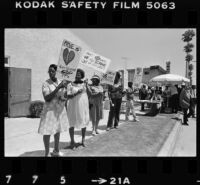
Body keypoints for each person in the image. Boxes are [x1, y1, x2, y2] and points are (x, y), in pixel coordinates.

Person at [38, 64, 69, 157]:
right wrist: (58, 88)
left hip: (59, 110)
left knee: (57, 130)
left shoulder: (61, 82)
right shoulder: (46, 83)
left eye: (53, 71)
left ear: (57, 72)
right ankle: (47, 153)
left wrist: (66, 91)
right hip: (49, 111)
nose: (51, 73)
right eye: (49, 71)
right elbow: (47, 98)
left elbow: (63, 97)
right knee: (47, 132)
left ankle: (56, 150)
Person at [65, 69, 90, 149]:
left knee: (83, 121)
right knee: (72, 122)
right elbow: (68, 96)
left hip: (83, 106)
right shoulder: (70, 84)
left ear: (82, 75)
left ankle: (83, 140)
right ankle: (72, 141)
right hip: (73, 106)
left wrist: (87, 85)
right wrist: (76, 93)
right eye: (76, 73)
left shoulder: (85, 84)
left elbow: (90, 94)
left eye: (79, 73)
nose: (78, 74)